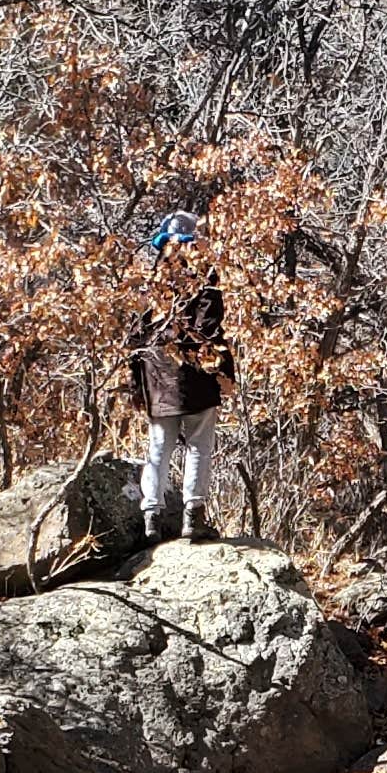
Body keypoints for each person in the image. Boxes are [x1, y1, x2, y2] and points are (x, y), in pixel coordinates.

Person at [127, 220, 231, 540]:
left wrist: (137, 385)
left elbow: (134, 337)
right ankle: (192, 518)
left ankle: (151, 518)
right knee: (199, 444)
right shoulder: (205, 276)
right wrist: (224, 373)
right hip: (197, 376)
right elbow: (211, 329)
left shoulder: (150, 282)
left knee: (159, 446)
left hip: (157, 377)